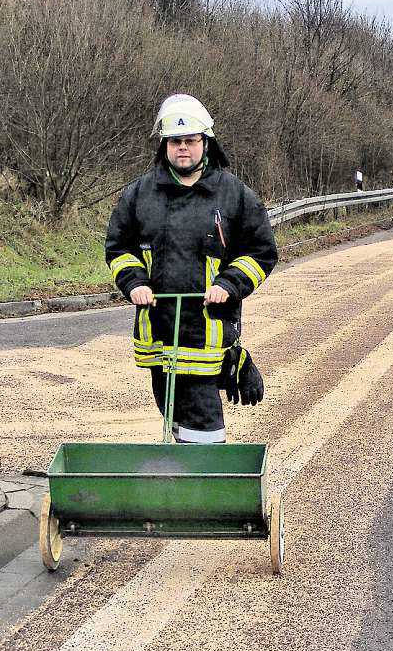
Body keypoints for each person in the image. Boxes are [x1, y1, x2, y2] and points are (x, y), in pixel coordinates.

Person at [105, 94, 278, 443]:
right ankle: (184, 481)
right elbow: (119, 248)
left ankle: (205, 488)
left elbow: (261, 252)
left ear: (206, 142)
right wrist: (134, 282)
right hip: (158, 332)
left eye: (190, 141)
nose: (182, 148)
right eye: (174, 141)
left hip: (207, 331)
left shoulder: (234, 196)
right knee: (174, 418)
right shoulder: (139, 195)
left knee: (204, 428)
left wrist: (230, 283)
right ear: (164, 145)